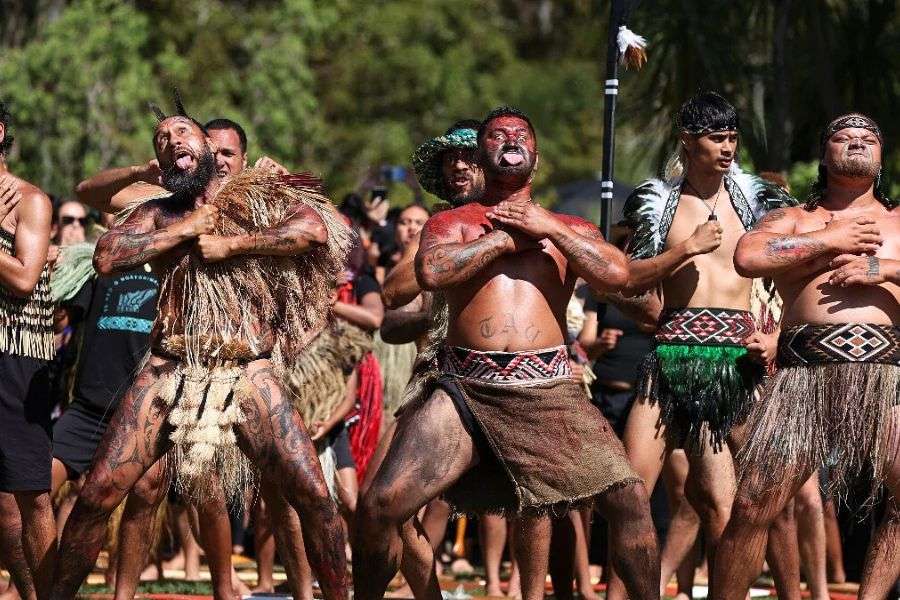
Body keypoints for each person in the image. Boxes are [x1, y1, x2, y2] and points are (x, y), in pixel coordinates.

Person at [49, 94, 352, 600]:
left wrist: (233, 244)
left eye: (180, 133)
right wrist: (186, 231)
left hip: (248, 368)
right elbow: (106, 256)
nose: (171, 143)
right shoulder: (156, 211)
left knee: (315, 498)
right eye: (161, 140)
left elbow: (314, 231)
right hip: (169, 365)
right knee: (98, 494)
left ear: (209, 146)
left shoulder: (257, 201)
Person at [355, 106, 658, 600]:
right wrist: (501, 238)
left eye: (521, 134)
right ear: (483, 155)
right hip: (463, 393)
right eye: (498, 135)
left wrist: (548, 229)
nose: (510, 139)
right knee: (379, 505)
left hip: (549, 392)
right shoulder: (452, 221)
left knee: (631, 502)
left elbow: (617, 275)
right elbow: (432, 272)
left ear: (535, 159)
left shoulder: (569, 227)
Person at [605, 92, 800, 600]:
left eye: (733, 137)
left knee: (730, 502)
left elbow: (801, 266)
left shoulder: (758, 199)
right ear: (688, 141)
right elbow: (628, 278)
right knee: (629, 493)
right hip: (669, 358)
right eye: (717, 138)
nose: (728, 147)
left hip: (737, 364)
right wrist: (684, 249)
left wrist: (777, 335)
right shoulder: (656, 200)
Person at [713, 113, 899, 600]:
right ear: (824, 153)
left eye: (869, 138)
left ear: (881, 157)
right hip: (801, 383)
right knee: (753, 504)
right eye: (844, 136)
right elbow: (748, 257)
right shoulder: (796, 218)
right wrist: (830, 239)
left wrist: (885, 268)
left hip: (886, 380)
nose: (858, 141)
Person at [0, 99, 56, 600]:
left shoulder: (29, 201)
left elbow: (23, 277)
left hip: (17, 355)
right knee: (1, 507)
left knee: (32, 497)